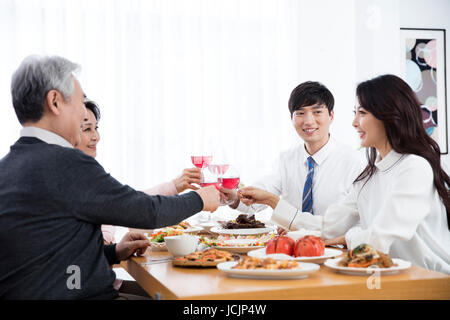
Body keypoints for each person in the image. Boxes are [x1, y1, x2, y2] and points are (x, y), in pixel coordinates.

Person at [0, 55, 220, 299]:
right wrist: (200, 199)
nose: (84, 111)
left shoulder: (7, 167)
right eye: (81, 102)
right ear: (54, 101)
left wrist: (115, 252)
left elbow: (48, 260)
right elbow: (146, 211)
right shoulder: (66, 163)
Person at [239, 74, 450, 274]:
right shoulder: (370, 176)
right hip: (390, 277)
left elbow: (382, 238)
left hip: (430, 280)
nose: (354, 123)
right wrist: (274, 202)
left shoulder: (414, 167)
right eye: (355, 113)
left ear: (389, 116)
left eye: (363, 113)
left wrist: (347, 238)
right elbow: (328, 227)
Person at [222, 81, 364, 221]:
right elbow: (258, 197)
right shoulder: (286, 159)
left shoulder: (354, 162)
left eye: (317, 112)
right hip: (290, 243)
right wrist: (234, 197)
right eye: (300, 113)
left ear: (331, 116)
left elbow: (357, 221)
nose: (308, 121)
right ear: (291, 118)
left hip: (334, 244)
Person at [78, 99, 202, 244]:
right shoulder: (78, 176)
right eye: (87, 129)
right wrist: (199, 200)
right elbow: (136, 208)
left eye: (96, 128)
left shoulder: (85, 171)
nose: (96, 137)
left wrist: (115, 250)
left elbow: (127, 203)